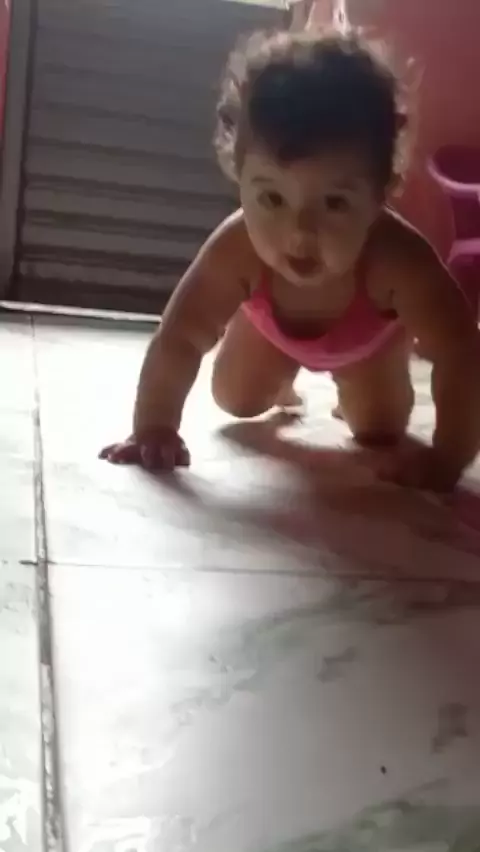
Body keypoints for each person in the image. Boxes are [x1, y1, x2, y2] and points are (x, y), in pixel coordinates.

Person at [101, 28, 480, 492]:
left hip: (367, 344)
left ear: (381, 191)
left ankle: (366, 374)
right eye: (272, 198)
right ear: (239, 175)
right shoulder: (237, 248)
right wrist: (154, 426)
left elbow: (460, 350)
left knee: (379, 431)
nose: (300, 232)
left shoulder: (399, 260)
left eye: (335, 203)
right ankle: (280, 376)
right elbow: (179, 335)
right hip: (269, 333)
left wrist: (449, 455)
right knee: (236, 401)